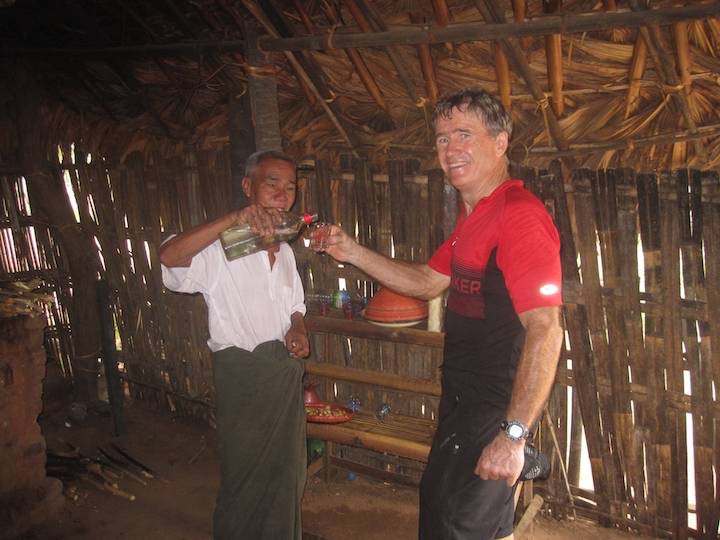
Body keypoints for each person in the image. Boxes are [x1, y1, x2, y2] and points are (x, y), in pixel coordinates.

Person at [316, 88, 564, 540]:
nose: (450, 150)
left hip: (492, 412)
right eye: (442, 139)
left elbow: (546, 328)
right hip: (463, 405)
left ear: (501, 142)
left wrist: (512, 436)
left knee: (451, 525)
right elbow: (427, 281)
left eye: (464, 135)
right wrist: (350, 251)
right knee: (468, 524)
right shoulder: (474, 219)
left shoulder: (518, 216)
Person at [159, 149, 310, 540]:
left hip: (282, 378)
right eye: (271, 182)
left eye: (290, 186)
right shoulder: (222, 247)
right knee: (243, 475)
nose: (282, 193)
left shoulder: (288, 251)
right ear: (248, 187)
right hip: (243, 377)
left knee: (285, 473)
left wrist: (299, 329)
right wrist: (233, 220)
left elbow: (295, 307)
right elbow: (169, 257)